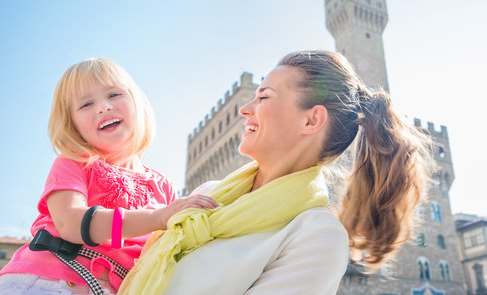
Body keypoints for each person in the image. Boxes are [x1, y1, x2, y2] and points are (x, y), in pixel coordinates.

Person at [118, 50, 435, 295]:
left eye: (264, 96)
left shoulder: (317, 236)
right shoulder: (206, 194)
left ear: (311, 121)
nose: (245, 109)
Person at [0, 58, 217, 294]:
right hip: (49, 280)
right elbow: (70, 223)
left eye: (113, 95)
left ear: (137, 104)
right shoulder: (73, 162)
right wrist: (158, 218)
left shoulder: (164, 187)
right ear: (72, 125)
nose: (103, 107)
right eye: (86, 105)